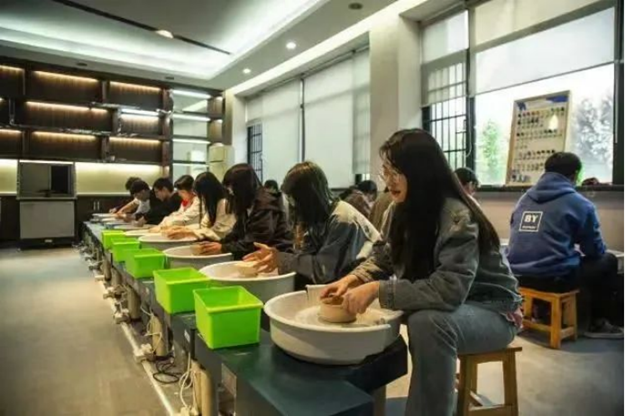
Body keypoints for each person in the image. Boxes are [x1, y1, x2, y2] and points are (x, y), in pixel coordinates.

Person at [321, 129, 521, 416]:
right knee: (404, 314)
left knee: (428, 324)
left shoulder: (457, 216)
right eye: (385, 171)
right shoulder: (397, 209)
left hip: (492, 309)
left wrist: (377, 290)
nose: (388, 181)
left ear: (421, 172)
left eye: (396, 172)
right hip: (456, 304)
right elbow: (384, 257)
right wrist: (352, 279)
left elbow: (449, 289)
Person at [506, 152, 623, 338]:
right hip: (553, 279)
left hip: (516, 275)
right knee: (607, 260)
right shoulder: (579, 203)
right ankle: (597, 323)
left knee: (566, 262)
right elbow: (594, 250)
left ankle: (543, 312)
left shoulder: (524, 199)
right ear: (574, 175)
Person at [243, 161, 380, 285]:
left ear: (308, 198)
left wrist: (282, 259)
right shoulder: (318, 217)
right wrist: (276, 256)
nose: (292, 206)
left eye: (293, 200)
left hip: (369, 286)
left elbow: (323, 271)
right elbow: (305, 255)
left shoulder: (342, 219)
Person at [196, 164, 291, 259]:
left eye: (231, 187)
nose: (230, 191)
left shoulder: (265, 205)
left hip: (276, 256)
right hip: (258, 255)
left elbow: (256, 241)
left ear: (242, 187)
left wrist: (224, 247)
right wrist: (220, 244)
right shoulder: (247, 203)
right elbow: (237, 232)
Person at [166, 171, 236, 241]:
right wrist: (185, 229)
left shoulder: (224, 203)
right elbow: (204, 225)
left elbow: (220, 232)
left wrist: (188, 232)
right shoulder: (212, 203)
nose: (200, 198)